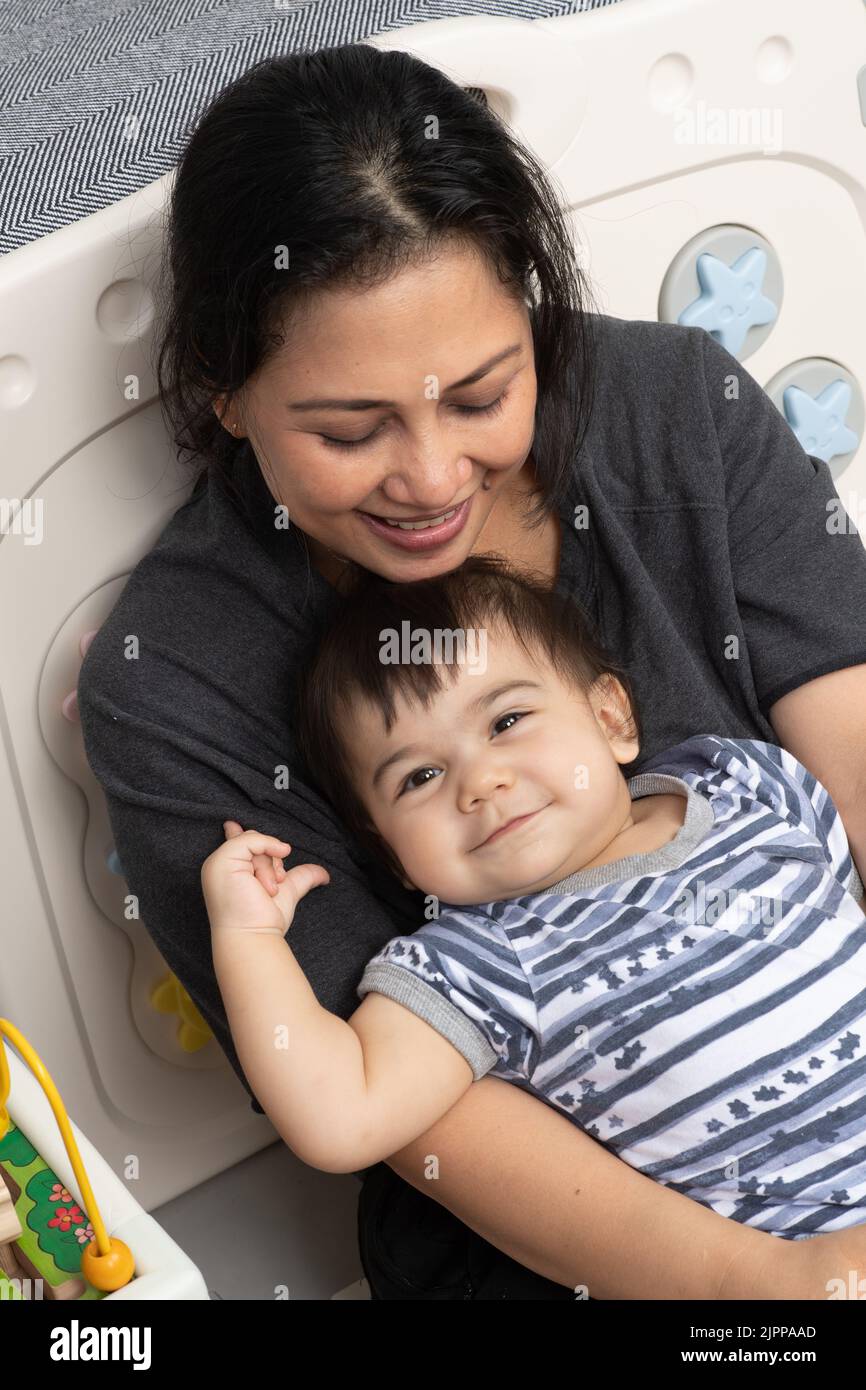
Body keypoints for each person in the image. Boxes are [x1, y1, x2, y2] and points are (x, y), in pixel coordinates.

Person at [76, 42, 866, 1298]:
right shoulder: (170, 677)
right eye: (350, 430)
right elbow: (391, 1107)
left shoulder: (675, 408)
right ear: (225, 397)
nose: (433, 478)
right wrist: (771, 1287)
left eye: (482, 393)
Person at [201, 553, 866, 1240]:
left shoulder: (742, 782)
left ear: (610, 718)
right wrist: (246, 939)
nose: (480, 782)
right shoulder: (481, 963)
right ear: (389, 852)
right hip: (819, 1253)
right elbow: (340, 1118)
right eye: (420, 776)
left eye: (507, 721)